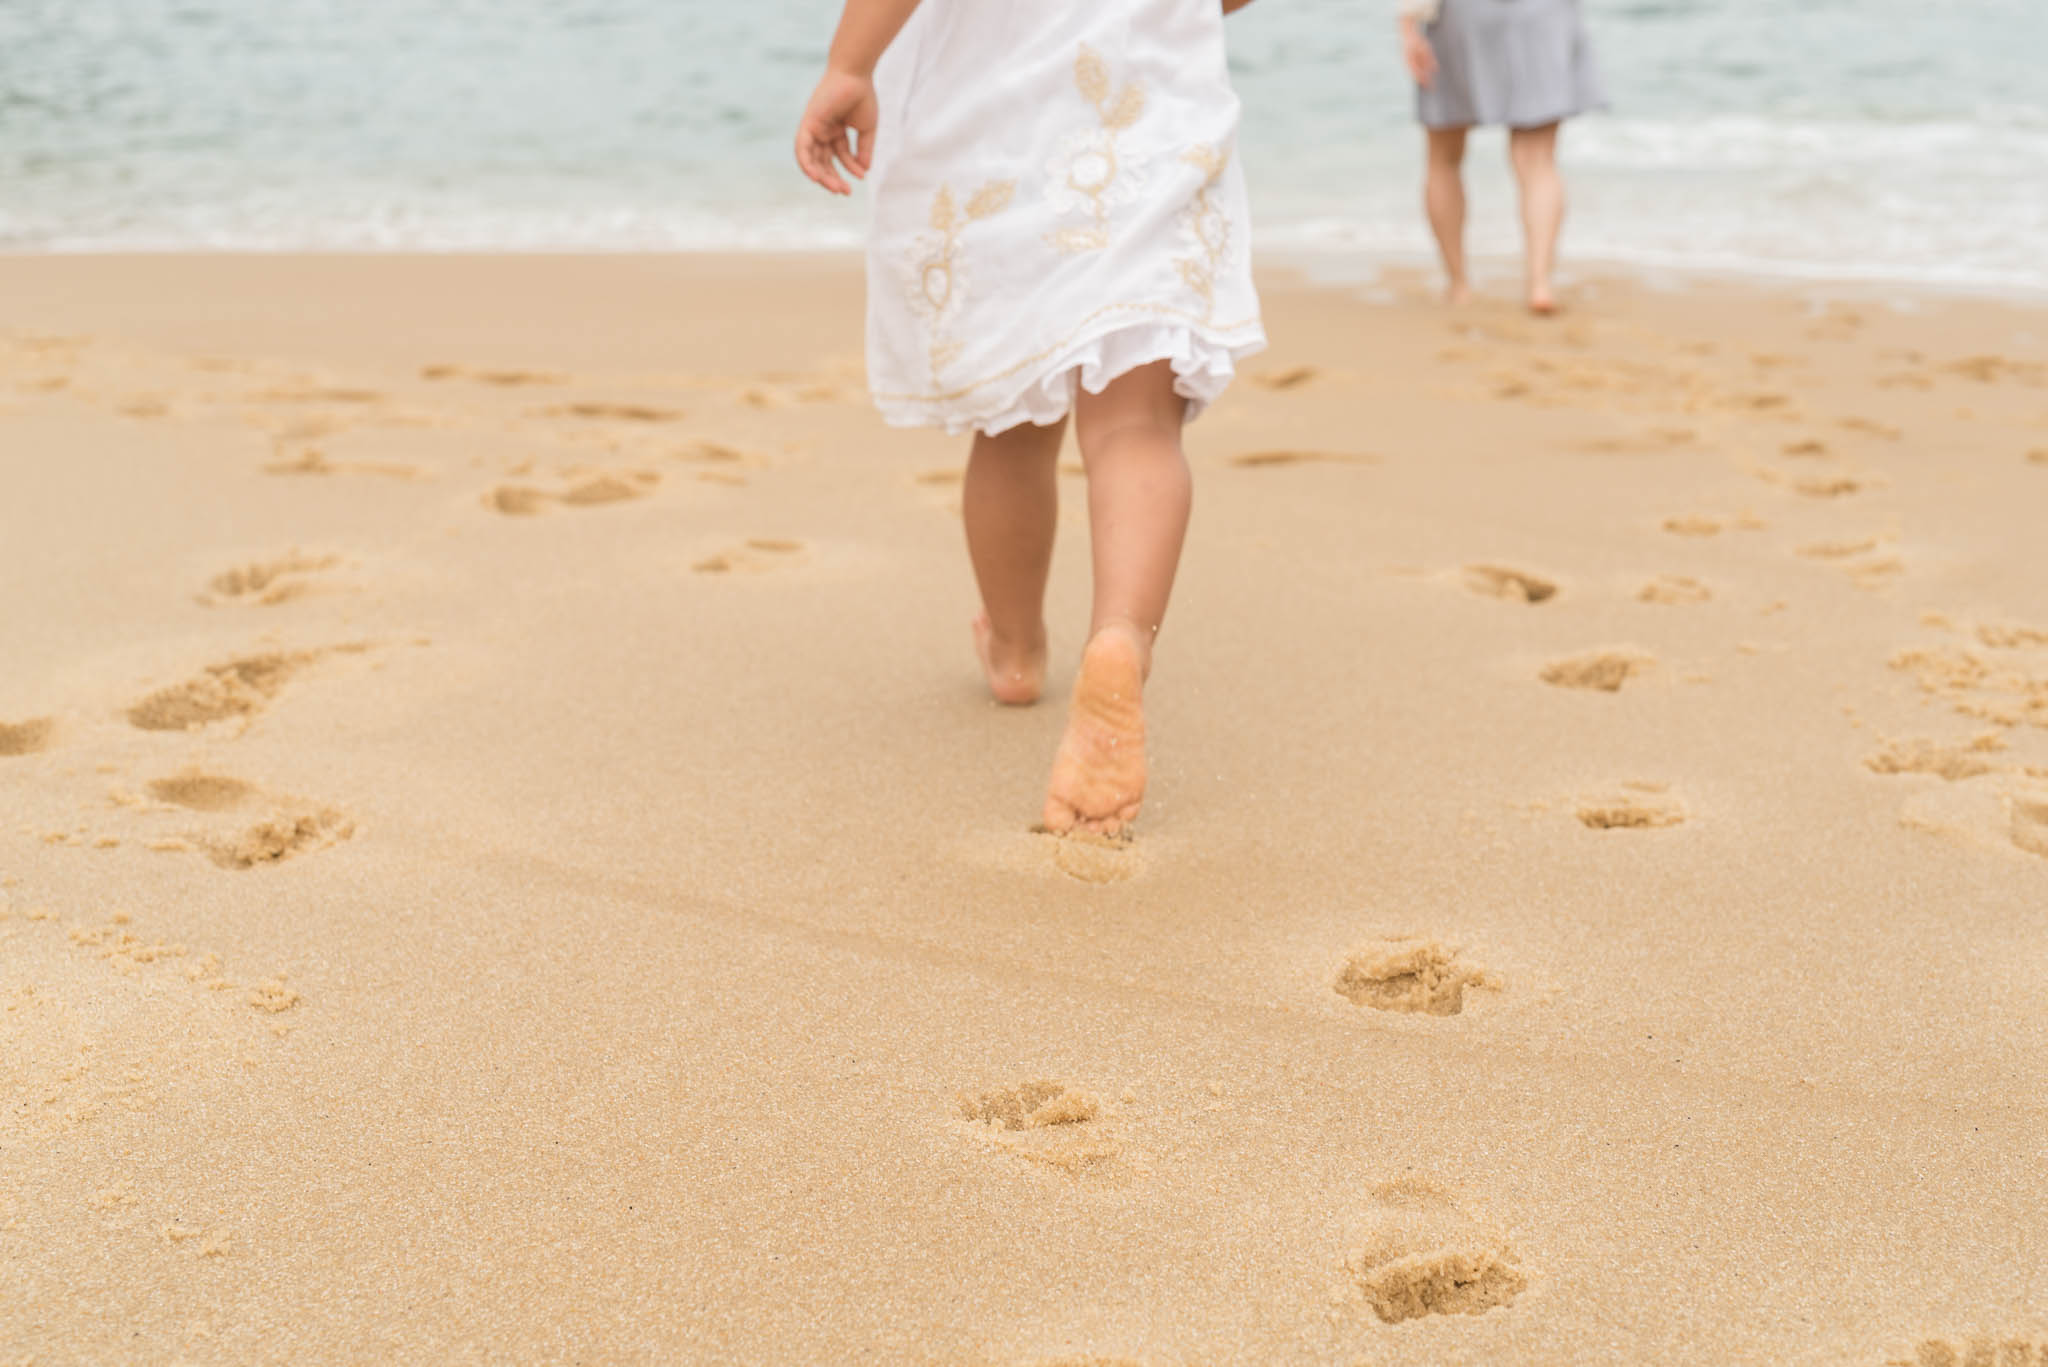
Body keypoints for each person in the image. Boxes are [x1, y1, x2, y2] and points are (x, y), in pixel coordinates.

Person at [795, 0, 1266, 837]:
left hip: (998, 128)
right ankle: (1121, 635)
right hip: (1145, 125)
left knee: (1011, 427)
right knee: (1136, 429)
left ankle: (1014, 652)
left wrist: (849, 65)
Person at [1398, 0, 1605, 313]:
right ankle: (1539, 283)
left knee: (1444, 157)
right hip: (1544, 14)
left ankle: (1459, 285)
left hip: (1463, 15)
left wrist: (1408, 26)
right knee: (1538, 162)